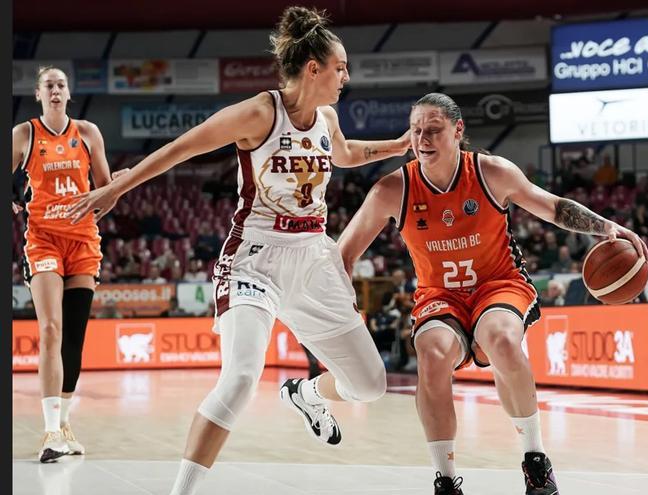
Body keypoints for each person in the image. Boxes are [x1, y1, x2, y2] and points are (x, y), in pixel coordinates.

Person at [70, 7, 409, 494]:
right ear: (313, 68)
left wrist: (396, 145)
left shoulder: (327, 117)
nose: (346, 76)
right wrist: (118, 189)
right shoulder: (259, 113)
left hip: (314, 256)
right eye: (341, 66)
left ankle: (307, 393)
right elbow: (183, 147)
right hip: (256, 257)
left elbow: (345, 153)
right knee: (241, 378)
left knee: (370, 384)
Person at [338, 93, 648, 495]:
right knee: (431, 358)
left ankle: (535, 458)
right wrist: (343, 310)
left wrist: (606, 227)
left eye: (433, 129)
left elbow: (552, 207)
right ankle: (445, 480)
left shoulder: (490, 172)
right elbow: (344, 254)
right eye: (416, 131)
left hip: (498, 283)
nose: (423, 139)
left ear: (458, 130)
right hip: (440, 295)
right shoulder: (392, 189)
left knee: (501, 340)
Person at [11, 66, 117, 463]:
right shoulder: (25, 134)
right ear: (38, 94)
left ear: (69, 94)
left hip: (84, 243)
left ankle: (66, 424)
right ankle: (50, 430)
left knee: (74, 335)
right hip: (42, 240)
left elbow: (107, 189)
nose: (55, 91)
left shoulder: (88, 133)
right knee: (50, 328)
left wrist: (94, 208)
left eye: (61, 85)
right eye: (49, 86)